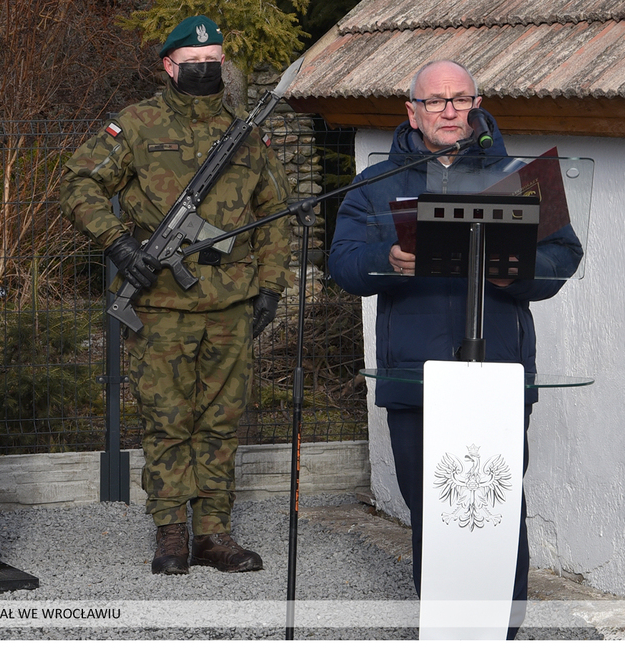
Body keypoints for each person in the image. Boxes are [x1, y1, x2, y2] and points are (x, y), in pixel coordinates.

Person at [327, 60, 583, 638]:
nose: (448, 110)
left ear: (476, 103)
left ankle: (502, 635)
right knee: (433, 510)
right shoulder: (377, 182)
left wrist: (513, 273)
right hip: (415, 376)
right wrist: (384, 261)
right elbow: (341, 264)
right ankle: (445, 634)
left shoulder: (519, 175)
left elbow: (565, 258)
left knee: (495, 509)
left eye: (459, 99)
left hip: (496, 371)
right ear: (411, 111)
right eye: (436, 100)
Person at [60, 16, 293, 575]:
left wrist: (270, 285)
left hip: (231, 306)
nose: (206, 70)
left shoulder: (245, 131)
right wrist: (117, 245)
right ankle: (170, 533)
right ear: (169, 66)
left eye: (214, 60)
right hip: (162, 306)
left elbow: (275, 213)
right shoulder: (137, 124)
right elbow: (79, 181)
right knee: (167, 419)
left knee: (221, 421)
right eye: (194, 62)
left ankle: (214, 533)